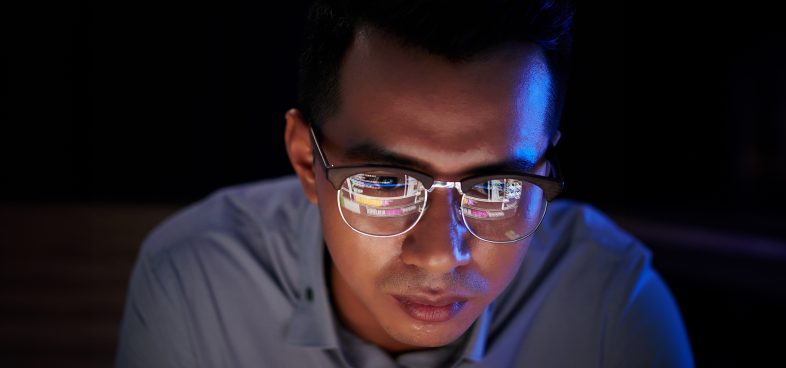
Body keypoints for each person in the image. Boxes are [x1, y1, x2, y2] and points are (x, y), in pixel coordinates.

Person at [115, 0, 694, 366]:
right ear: (305, 161)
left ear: (543, 173)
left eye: (494, 187)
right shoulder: (197, 281)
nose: (440, 255)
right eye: (385, 182)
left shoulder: (610, 306)